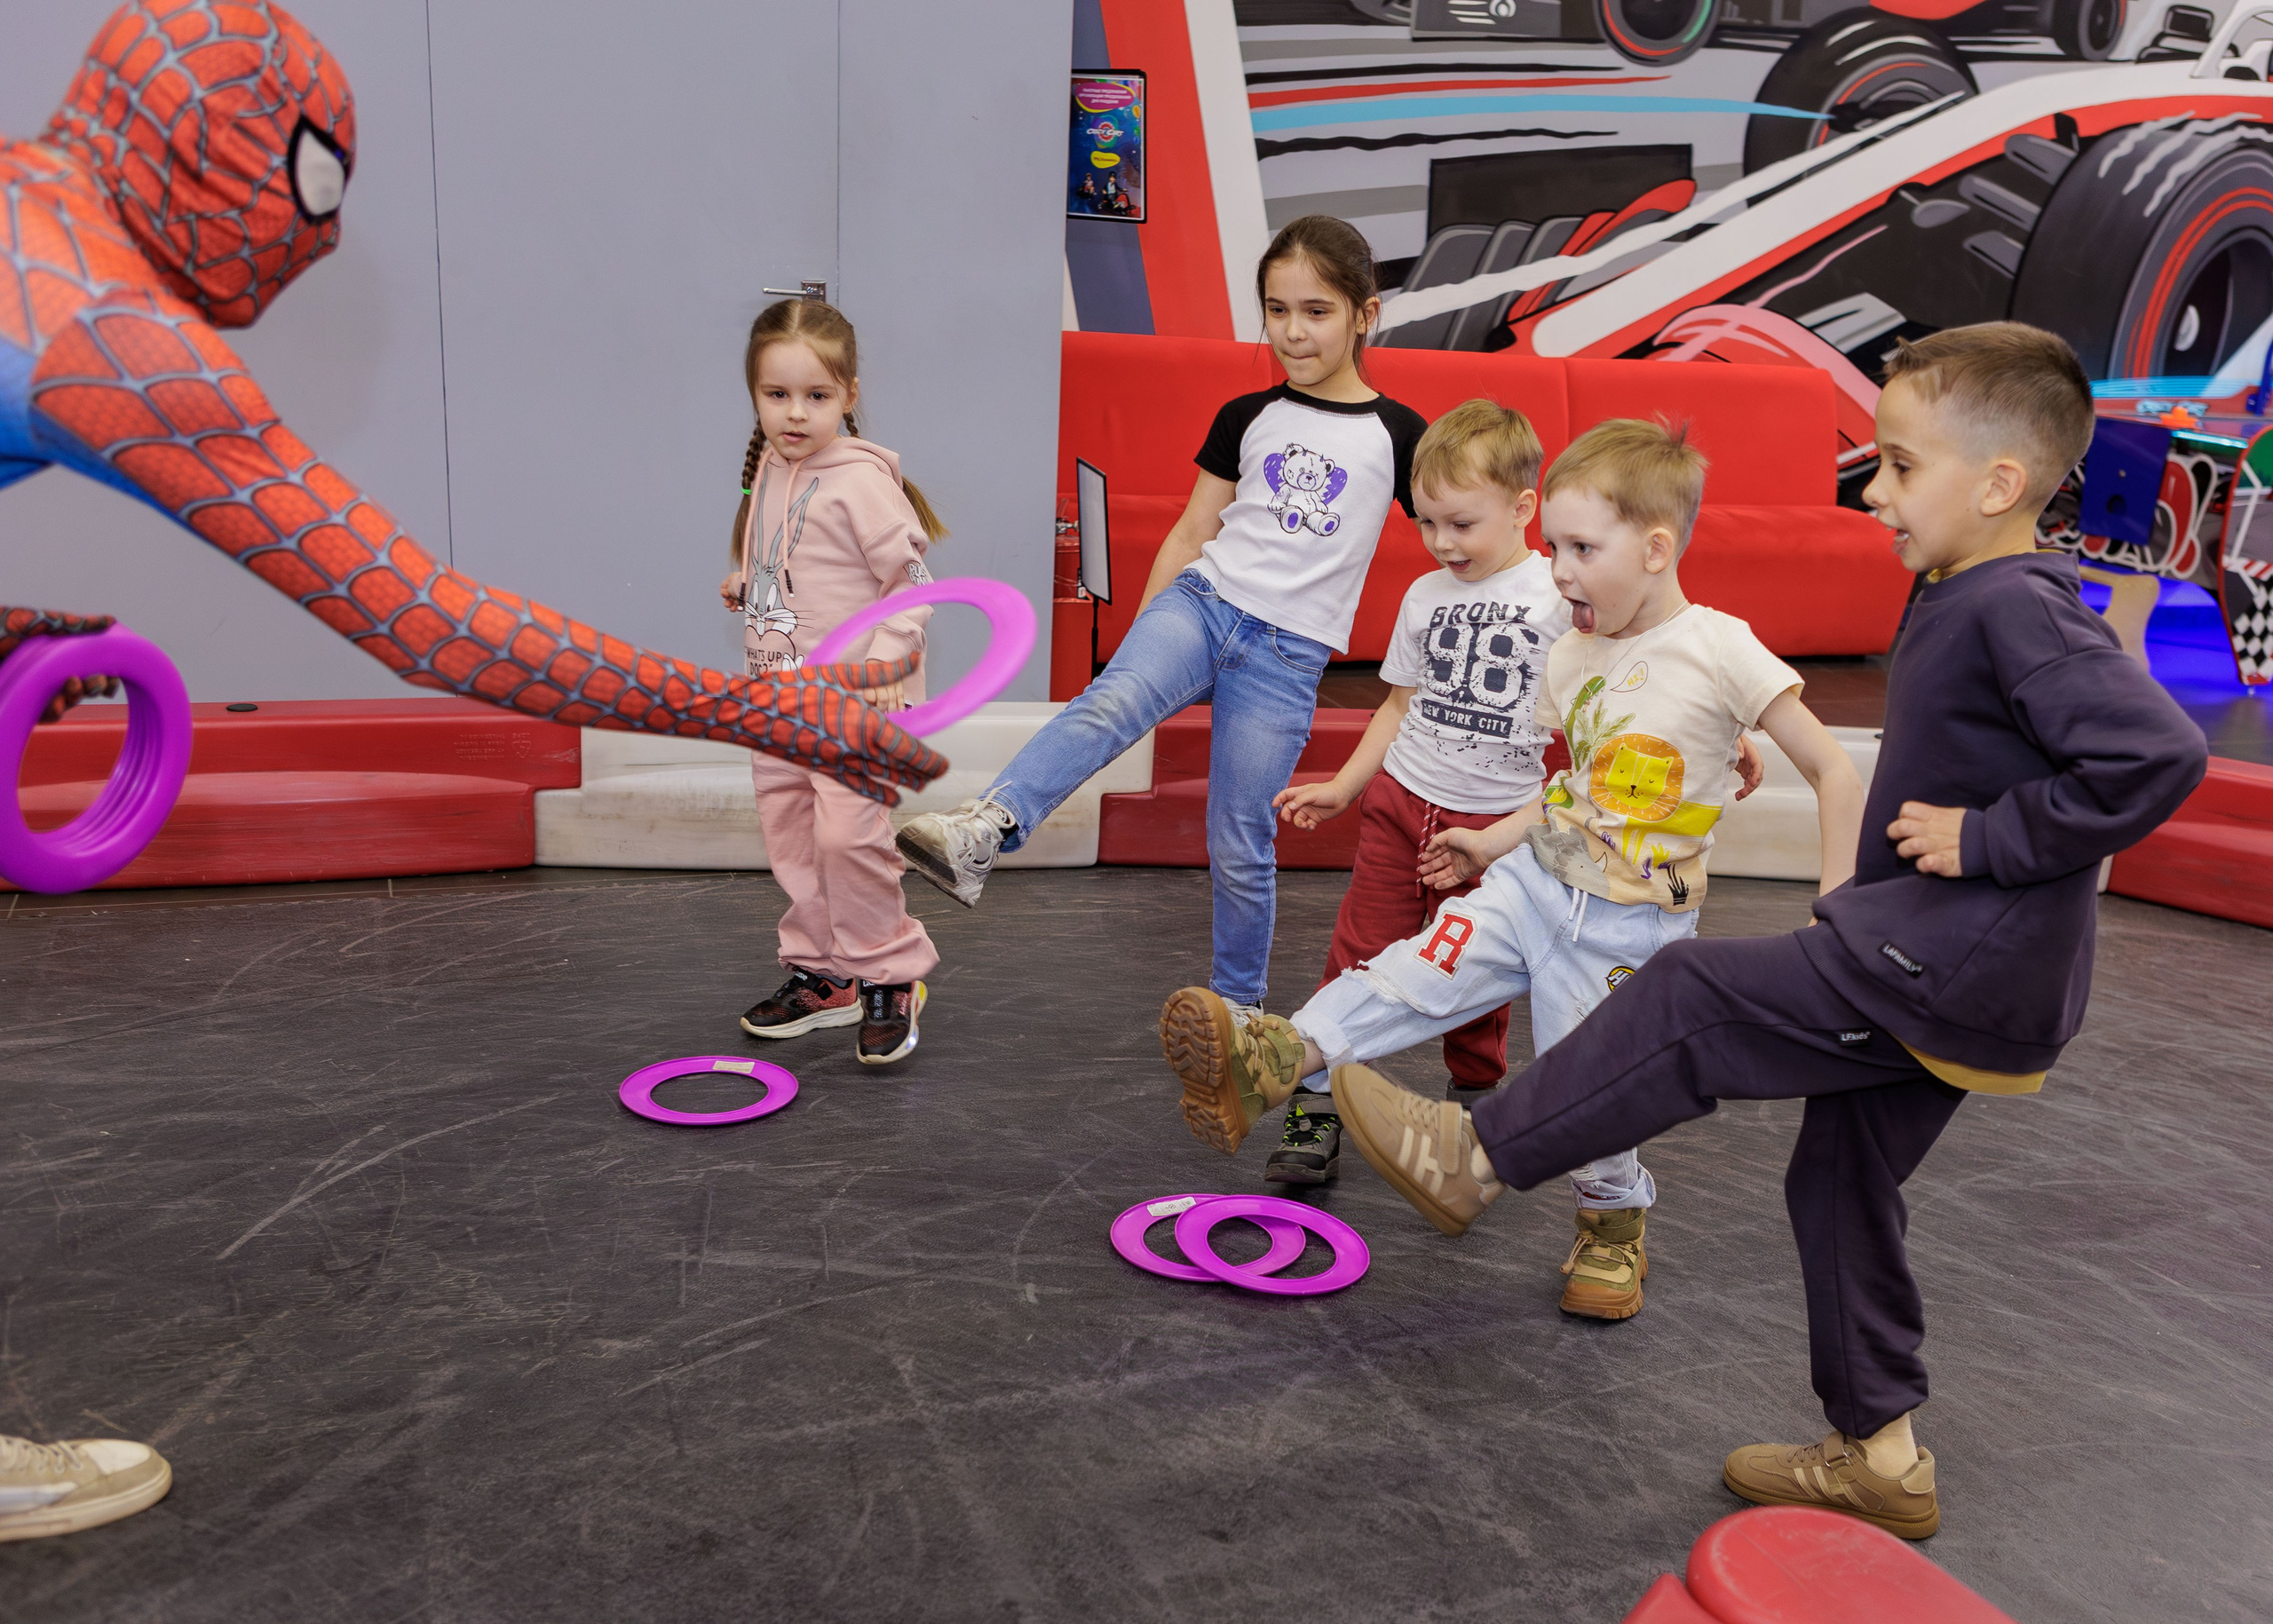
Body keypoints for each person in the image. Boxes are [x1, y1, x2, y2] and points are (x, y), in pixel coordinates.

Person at [1327, 324, 2208, 1538]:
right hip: (1962, 967)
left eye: (1900, 466)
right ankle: (1880, 1453)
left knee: (1689, 998)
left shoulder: (2017, 605)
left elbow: (2157, 752)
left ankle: (1472, 1154)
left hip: (1940, 961)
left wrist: (1991, 839)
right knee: (1839, 1179)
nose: (1875, 491)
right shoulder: (1968, 588)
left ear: (1998, 483)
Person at [1163, 416, 1864, 1321]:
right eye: (1555, 548)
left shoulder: (1721, 645)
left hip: (1627, 922)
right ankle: (1277, 1054)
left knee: (1590, 1077)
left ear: (1655, 550)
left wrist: (1834, 908)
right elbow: (1578, 787)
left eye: (1581, 549)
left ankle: (1611, 1225)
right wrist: (1492, 841)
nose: (1560, 570)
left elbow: (1836, 771)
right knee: (1411, 970)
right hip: (1534, 882)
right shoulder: (1571, 652)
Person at [896, 216, 1429, 1026]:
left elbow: (1456, 527)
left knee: (1240, 837)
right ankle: (985, 829)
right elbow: (1190, 532)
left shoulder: (1400, 434)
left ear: (1366, 314)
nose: (1293, 331)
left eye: (1316, 311)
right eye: (1277, 309)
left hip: (1288, 653)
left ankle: (1241, 1012)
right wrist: (1143, 640)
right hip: (1205, 604)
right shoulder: (1247, 414)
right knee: (1109, 703)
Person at [1251, 400, 1566, 1184]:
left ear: (1523, 507)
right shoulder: (1426, 595)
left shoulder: (1560, 596)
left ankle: (1475, 1103)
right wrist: (1345, 786)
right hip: (1402, 804)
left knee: (1475, 967)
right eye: (1426, 523)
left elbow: (1639, 664)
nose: (1441, 542)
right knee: (1356, 954)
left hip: (1493, 823)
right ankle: (1315, 1102)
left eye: (1461, 524)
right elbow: (1397, 705)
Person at [717, 299, 946, 1065]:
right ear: (754, 394)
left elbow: (911, 583)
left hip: (852, 705)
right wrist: (746, 582)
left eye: (816, 395)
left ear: (849, 394)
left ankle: (889, 972)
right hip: (778, 702)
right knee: (793, 838)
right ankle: (826, 974)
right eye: (776, 394)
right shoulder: (770, 469)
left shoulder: (861, 482)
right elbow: (790, 557)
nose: (795, 412)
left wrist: (885, 662)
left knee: (849, 839)